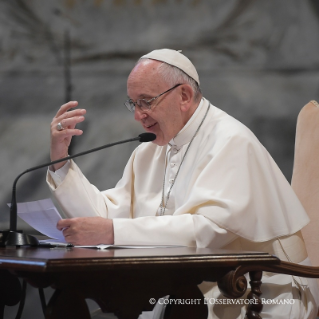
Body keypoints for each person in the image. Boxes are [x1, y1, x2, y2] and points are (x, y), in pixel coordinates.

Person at [47, 49, 319, 318]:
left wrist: (112, 232)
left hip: (257, 290)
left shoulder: (231, 141)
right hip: (186, 290)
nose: (138, 115)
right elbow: (106, 218)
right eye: (133, 103)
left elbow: (209, 231)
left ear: (184, 96)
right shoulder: (152, 148)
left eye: (146, 101)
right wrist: (61, 158)